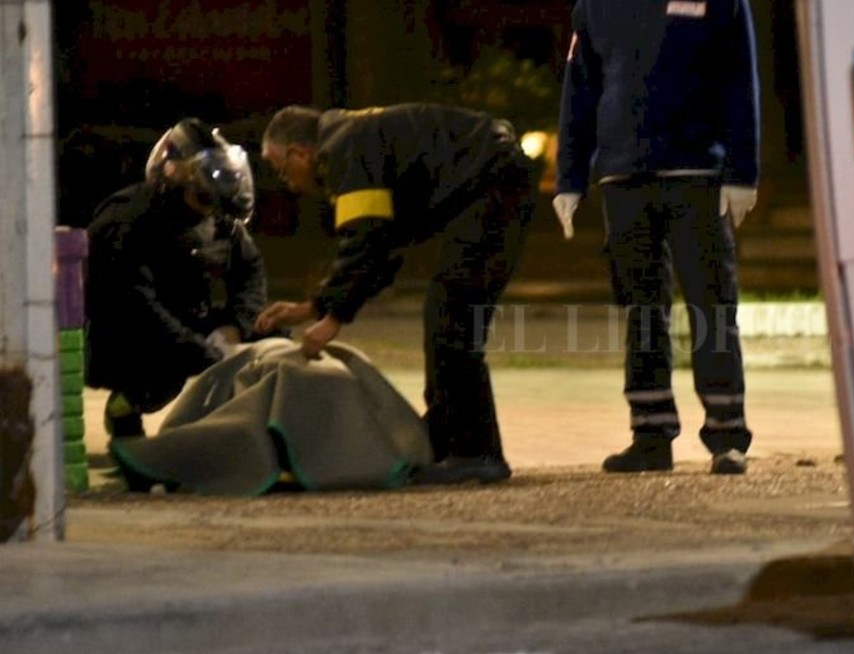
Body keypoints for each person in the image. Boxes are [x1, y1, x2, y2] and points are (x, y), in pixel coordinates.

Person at [254, 103, 535, 485]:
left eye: (279, 167)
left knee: (451, 316)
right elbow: (382, 249)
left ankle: (475, 451)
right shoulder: (353, 140)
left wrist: (332, 319)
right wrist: (315, 306)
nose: (284, 180)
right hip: (491, 181)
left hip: (493, 183)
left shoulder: (342, 152)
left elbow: (366, 239)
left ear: (299, 153)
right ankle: (447, 442)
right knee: (444, 314)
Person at [552, 0, 761, 474]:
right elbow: (580, 89)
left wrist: (742, 171)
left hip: (698, 174)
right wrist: (569, 178)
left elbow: (739, 78)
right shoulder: (594, 6)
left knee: (712, 304)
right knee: (641, 307)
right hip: (623, 177)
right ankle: (650, 432)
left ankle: (727, 434)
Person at [86, 118, 267, 440]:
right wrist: (199, 350)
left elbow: (250, 271)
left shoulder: (216, 216)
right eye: (203, 199)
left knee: (272, 337)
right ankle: (125, 412)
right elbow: (135, 305)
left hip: (182, 316)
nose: (211, 213)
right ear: (174, 183)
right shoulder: (128, 220)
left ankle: (266, 432)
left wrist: (237, 326)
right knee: (163, 368)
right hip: (123, 332)